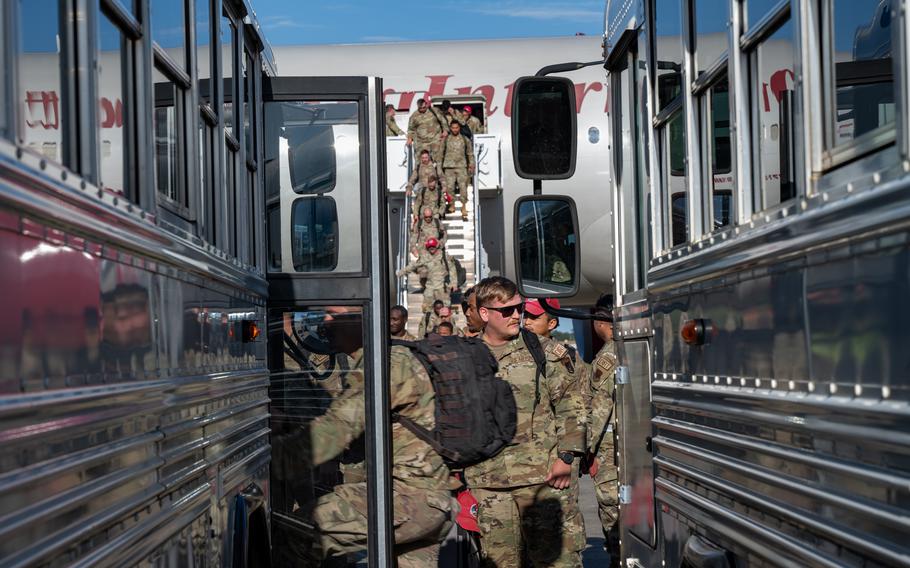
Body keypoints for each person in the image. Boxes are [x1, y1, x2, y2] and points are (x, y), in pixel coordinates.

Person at [278, 307, 459, 567]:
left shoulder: (385, 364)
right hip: (427, 499)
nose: (326, 321)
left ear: (364, 316)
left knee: (295, 531)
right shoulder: (389, 357)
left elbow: (337, 428)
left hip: (408, 498)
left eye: (334, 313)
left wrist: (266, 462)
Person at [465, 276, 587, 567]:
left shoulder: (544, 351)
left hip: (542, 479)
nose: (516, 315)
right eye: (506, 311)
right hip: (488, 483)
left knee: (557, 561)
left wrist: (567, 457)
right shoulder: (465, 356)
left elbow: (573, 405)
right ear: (484, 314)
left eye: (518, 308)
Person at [584, 296, 620, 567]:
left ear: (600, 322)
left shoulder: (608, 356)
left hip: (611, 450)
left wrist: (587, 451)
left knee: (612, 510)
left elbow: (599, 409)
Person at [397, 238, 458, 331]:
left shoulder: (443, 256)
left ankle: (449, 331)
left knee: (445, 311)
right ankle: (428, 330)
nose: (431, 248)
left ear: (437, 246)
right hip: (430, 288)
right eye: (429, 247)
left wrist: (454, 282)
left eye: (433, 246)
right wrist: (401, 272)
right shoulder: (425, 257)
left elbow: (452, 269)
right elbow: (413, 265)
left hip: (442, 288)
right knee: (427, 311)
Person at [442, 120, 475, 221]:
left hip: (461, 166)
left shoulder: (465, 139)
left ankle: (463, 206)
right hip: (449, 166)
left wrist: (471, 164)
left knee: (463, 187)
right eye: (453, 128)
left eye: (456, 128)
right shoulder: (446, 139)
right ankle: (451, 205)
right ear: (450, 128)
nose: (455, 129)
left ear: (459, 128)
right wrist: (439, 165)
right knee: (449, 188)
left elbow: (469, 153)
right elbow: (441, 153)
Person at [407, 97, 448, 163]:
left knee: (438, 160)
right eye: (420, 108)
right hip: (422, 142)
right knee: (422, 162)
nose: (422, 109)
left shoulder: (434, 111)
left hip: (435, 140)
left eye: (424, 107)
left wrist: (445, 130)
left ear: (426, 104)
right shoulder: (414, 116)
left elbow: (443, 121)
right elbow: (411, 129)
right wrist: (409, 138)